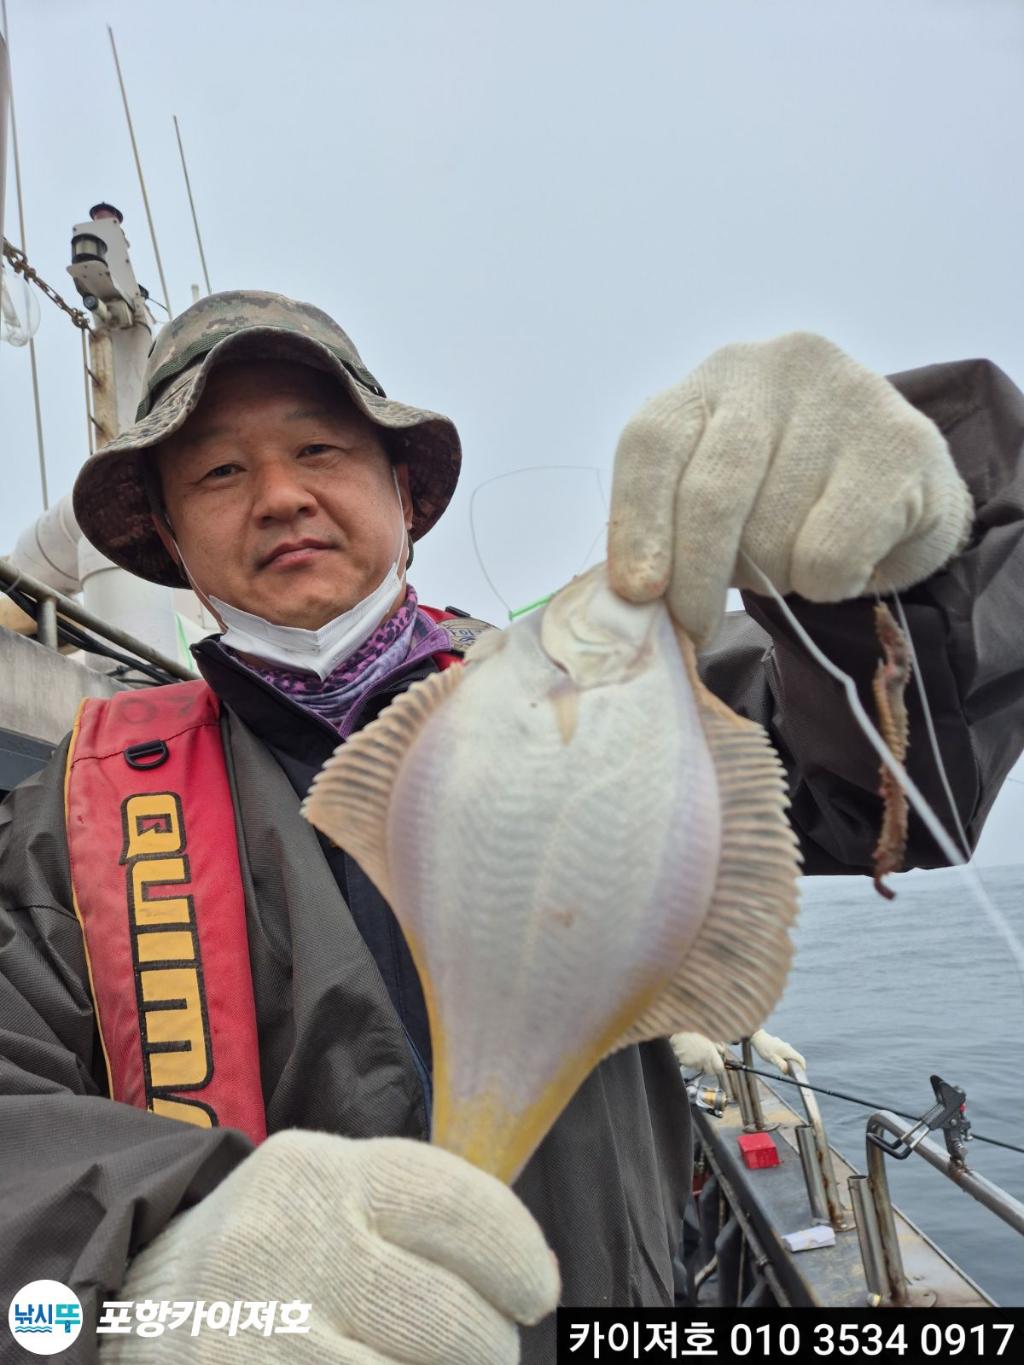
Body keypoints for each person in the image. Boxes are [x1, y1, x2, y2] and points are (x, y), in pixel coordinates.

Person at [1, 290, 1022, 1364]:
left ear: (404, 496)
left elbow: (887, 785)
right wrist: (159, 1245)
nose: (281, 496)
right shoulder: (72, 813)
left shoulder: (600, 700)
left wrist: (887, 550)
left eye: (319, 449)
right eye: (218, 472)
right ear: (169, 537)